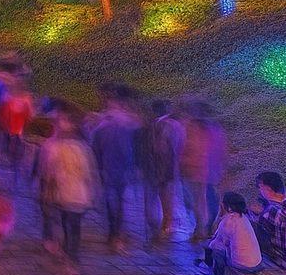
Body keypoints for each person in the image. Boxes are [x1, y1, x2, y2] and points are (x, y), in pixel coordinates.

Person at [38, 108, 96, 262]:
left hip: (63, 193)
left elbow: (49, 173)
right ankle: (72, 253)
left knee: (65, 222)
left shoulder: (56, 147)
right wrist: (91, 192)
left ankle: (68, 252)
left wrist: (47, 193)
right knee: (74, 224)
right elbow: (88, 173)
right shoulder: (82, 148)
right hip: (77, 194)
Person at [88, 85, 140, 252]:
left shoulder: (102, 123)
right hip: (121, 167)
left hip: (109, 167)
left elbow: (95, 147)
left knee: (111, 202)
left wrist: (96, 168)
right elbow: (135, 147)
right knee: (118, 201)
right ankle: (117, 234)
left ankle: (114, 234)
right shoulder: (128, 123)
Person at [137, 99, 186, 244]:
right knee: (168, 197)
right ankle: (167, 225)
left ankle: (166, 226)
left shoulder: (160, 125)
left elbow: (160, 149)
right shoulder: (175, 125)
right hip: (171, 167)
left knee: (163, 197)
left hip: (161, 168)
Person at [181, 101, 227, 242]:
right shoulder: (216, 128)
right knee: (209, 199)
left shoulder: (192, 128)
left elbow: (187, 148)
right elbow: (223, 150)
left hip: (197, 171)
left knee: (199, 200)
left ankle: (200, 229)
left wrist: (185, 163)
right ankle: (207, 228)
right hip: (211, 171)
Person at [201, 191, 264, 275]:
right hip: (257, 263)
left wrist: (209, 248)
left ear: (229, 207)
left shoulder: (228, 221)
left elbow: (219, 244)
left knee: (215, 251)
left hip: (242, 265)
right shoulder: (244, 218)